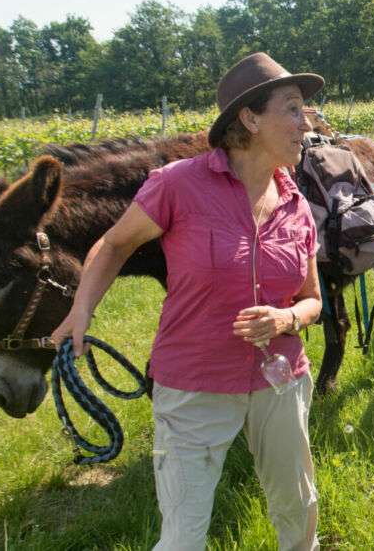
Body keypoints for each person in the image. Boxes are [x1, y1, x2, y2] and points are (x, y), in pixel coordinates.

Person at [52, 52, 324, 551]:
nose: (307, 122)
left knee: (298, 505)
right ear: (249, 118)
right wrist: (82, 309)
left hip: (281, 380)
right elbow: (114, 244)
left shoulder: (296, 203)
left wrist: (286, 317)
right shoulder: (178, 184)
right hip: (193, 384)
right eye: (292, 108)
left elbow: (312, 301)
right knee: (183, 530)